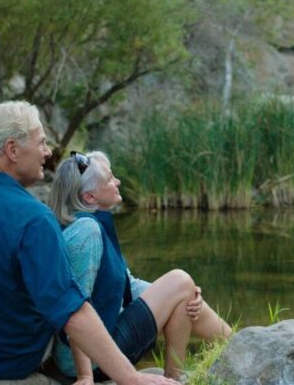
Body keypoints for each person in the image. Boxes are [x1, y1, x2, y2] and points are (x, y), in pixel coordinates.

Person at [0, 101, 179, 385]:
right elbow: (70, 310)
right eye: (41, 142)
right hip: (13, 360)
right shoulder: (33, 218)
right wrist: (130, 377)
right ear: (12, 149)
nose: (47, 152)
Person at [48, 150, 232, 382]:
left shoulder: (91, 221)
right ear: (90, 197)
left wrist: (175, 296)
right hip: (92, 357)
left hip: (101, 341)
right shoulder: (86, 232)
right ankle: (184, 373)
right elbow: (75, 306)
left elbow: (126, 284)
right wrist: (85, 375)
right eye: (109, 179)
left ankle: (234, 344)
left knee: (184, 289)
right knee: (181, 280)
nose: (118, 182)